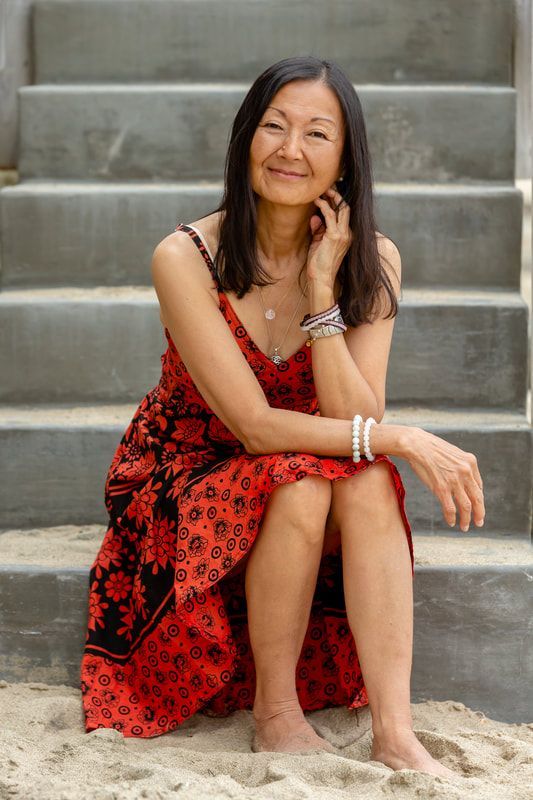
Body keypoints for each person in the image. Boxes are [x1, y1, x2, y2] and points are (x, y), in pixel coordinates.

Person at [80, 56, 485, 777]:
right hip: (193, 466)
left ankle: (394, 730)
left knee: (362, 480)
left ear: (345, 160)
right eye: (274, 126)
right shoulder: (186, 256)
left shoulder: (373, 260)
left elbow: (355, 414)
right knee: (302, 479)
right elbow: (255, 428)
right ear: (246, 139)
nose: (290, 149)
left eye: (316, 133)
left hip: (314, 462)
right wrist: (401, 437)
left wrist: (323, 292)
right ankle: (275, 712)